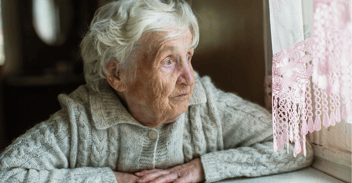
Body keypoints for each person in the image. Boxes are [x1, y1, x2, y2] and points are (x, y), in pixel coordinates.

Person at [0, 0, 313, 182]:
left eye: (188, 56)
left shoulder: (204, 105)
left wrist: (201, 168)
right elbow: (9, 173)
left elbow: (295, 146)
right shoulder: (82, 121)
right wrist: (112, 180)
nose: (189, 78)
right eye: (168, 61)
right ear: (115, 73)